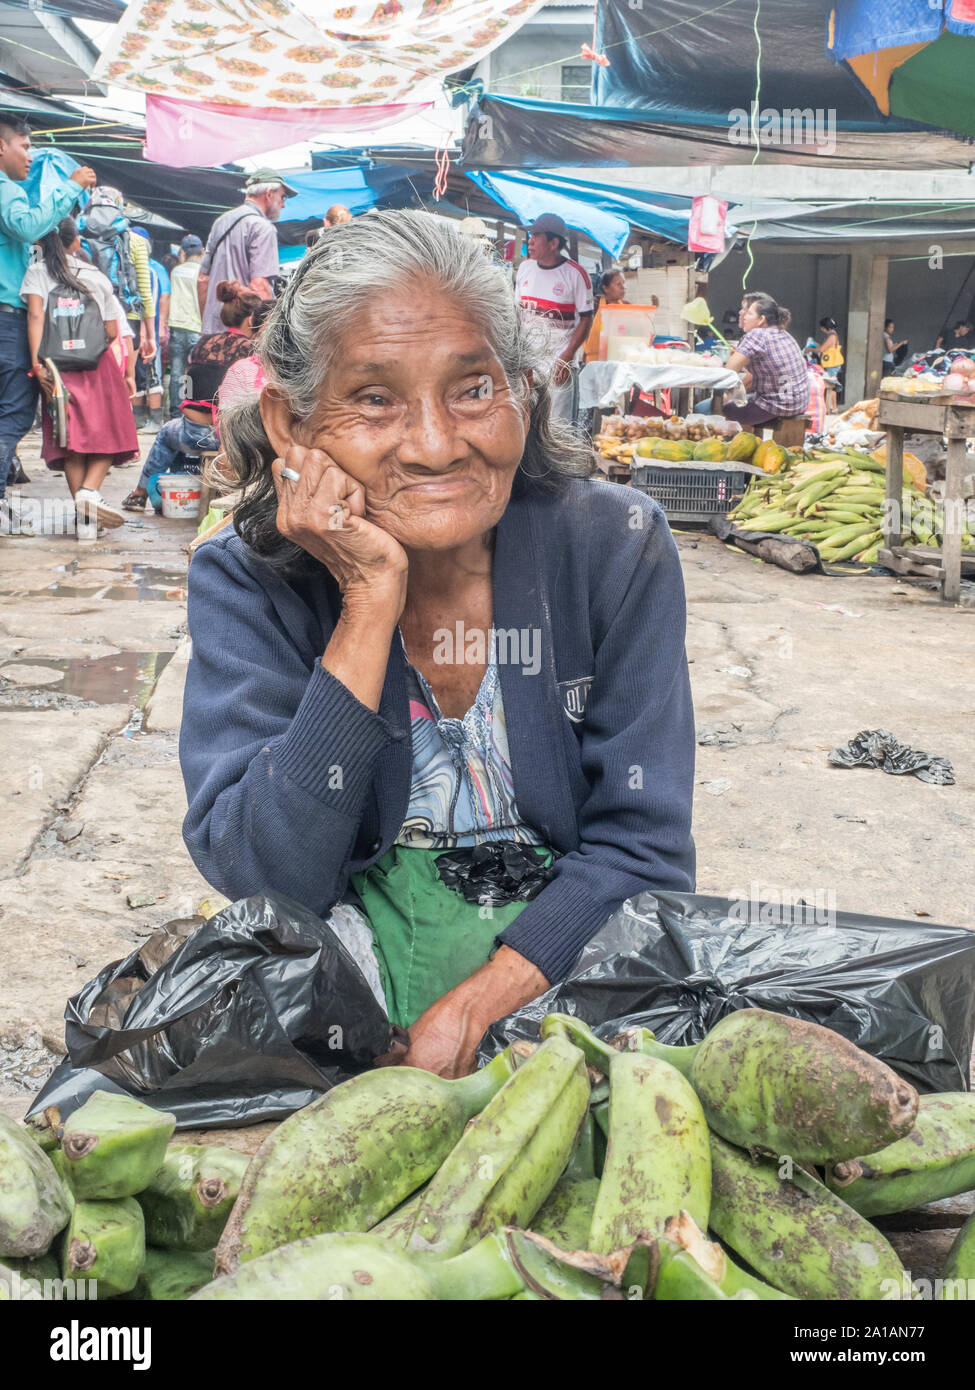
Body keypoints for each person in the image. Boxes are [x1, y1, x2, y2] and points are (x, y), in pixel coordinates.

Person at [179, 211, 695, 1077]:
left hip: (564, 980)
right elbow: (267, 880)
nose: (433, 445)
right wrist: (366, 599)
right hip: (341, 1006)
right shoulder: (249, 578)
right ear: (292, 423)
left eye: (472, 388)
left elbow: (643, 851)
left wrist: (482, 1002)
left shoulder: (612, 547)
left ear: (523, 390)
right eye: (374, 398)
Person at [0, 116, 96, 513]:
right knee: (14, 413)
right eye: (24, 147)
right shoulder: (5, 189)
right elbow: (25, 226)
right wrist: (71, 185)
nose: (29, 157)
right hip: (7, 322)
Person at [21, 216, 137, 529]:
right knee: (109, 436)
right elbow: (112, 330)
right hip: (97, 367)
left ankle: (84, 515)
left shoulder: (36, 272)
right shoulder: (96, 275)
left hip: (56, 370)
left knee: (71, 441)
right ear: (76, 242)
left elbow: (34, 316)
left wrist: (37, 362)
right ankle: (89, 493)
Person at [123, 280, 263, 513]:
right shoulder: (251, 351)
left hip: (192, 432)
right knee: (171, 433)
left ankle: (139, 494)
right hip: (231, 438)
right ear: (251, 319)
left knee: (167, 432)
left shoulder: (203, 344)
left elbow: (186, 392)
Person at [80, 187, 155, 412]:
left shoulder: (79, 234)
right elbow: (144, 291)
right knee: (123, 379)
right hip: (126, 318)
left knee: (89, 378)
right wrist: (149, 334)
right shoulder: (135, 240)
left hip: (86, 314)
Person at [515, 213, 593, 425]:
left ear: (553, 242)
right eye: (530, 235)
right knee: (526, 421)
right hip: (529, 362)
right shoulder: (525, 269)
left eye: (536, 235)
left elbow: (586, 319)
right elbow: (517, 313)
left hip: (558, 365)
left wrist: (566, 356)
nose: (530, 240)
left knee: (558, 426)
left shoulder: (575, 274)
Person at [197, 168, 295, 334]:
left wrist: (208, 324)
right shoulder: (262, 228)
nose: (283, 204)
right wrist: (270, 335)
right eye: (282, 197)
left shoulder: (221, 222)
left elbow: (202, 281)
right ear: (269, 194)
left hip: (212, 336)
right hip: (244, 333)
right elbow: (259, 285)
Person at [723, 292, 810, 428]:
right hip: (799, 403)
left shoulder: (757, 334)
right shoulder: (783, 333)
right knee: (741, 400)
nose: (744, 316)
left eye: (749, 313)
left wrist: (731, 359)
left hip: (778, 406)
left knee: (723, 408)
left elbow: (728, 370)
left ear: (761, 319)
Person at [131, 226, 169, 431]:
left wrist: (152, 330)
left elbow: (156, 299)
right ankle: (137, 420)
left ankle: (155, 421)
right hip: (135, 332)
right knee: (136, 375)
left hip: (147, 332)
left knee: (152, 374)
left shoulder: (152, 270)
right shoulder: (130, 267)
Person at [167, 234, 205, 418]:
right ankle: (192, 412)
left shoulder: (176, 272)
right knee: (195, 372)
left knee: (177, 373)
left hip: (176, 326)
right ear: (202, 251)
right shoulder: (204, 274)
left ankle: (176, 413)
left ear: (183, 252)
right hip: (197, 328)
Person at [816, 315, 844, 386]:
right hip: (832, 364)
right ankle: (833, 397)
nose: (821, 329)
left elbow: (821, 349)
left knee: (831, 385)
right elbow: (825, 347)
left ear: (825, 328)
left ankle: (833, 398)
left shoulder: (832, 336)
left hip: (833, 364)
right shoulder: (832, 334)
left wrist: (809, 349)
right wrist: (814, 343)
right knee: (832, 385)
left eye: (822, 327)